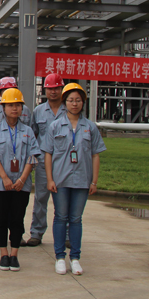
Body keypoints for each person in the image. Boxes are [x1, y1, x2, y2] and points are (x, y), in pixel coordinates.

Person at [42, 83, 106, 276]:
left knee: (76, 219)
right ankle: (60, 257)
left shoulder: (90, 127)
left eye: (78, 100)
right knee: (61, 217)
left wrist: (94, 181)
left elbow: (95, 155)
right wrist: (50, 179)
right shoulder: (55, 126)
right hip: (60, 181)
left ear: (83, 102)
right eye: (70, 100)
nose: (74, 104)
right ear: (65, 103)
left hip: (81, 181)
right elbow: (48, 154)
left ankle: (75, 258)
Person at [0, 88, 42, 271]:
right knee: (0, 219)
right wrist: (5, 178)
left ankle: (14, 254)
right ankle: (3, 254)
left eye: (18, 105)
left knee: (17, 219)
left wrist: (23, 179)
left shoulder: (28, 131)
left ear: (22, 108)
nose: (14, 108)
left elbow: (33, 156)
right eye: (10, 105)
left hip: (21, 185)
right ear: (3, 108)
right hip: (0, 184)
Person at [25, 72, 65, 247]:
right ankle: (36, 233)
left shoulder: (69, 110)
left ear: (62, 89)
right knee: (41, 198)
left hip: (64, 163)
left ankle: (67, 234)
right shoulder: (38, 111)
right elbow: (33, 136)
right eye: (50, 88)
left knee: (64, 201)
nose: (53, 92)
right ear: (45, 90)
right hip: (42, 163)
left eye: (56, 88)